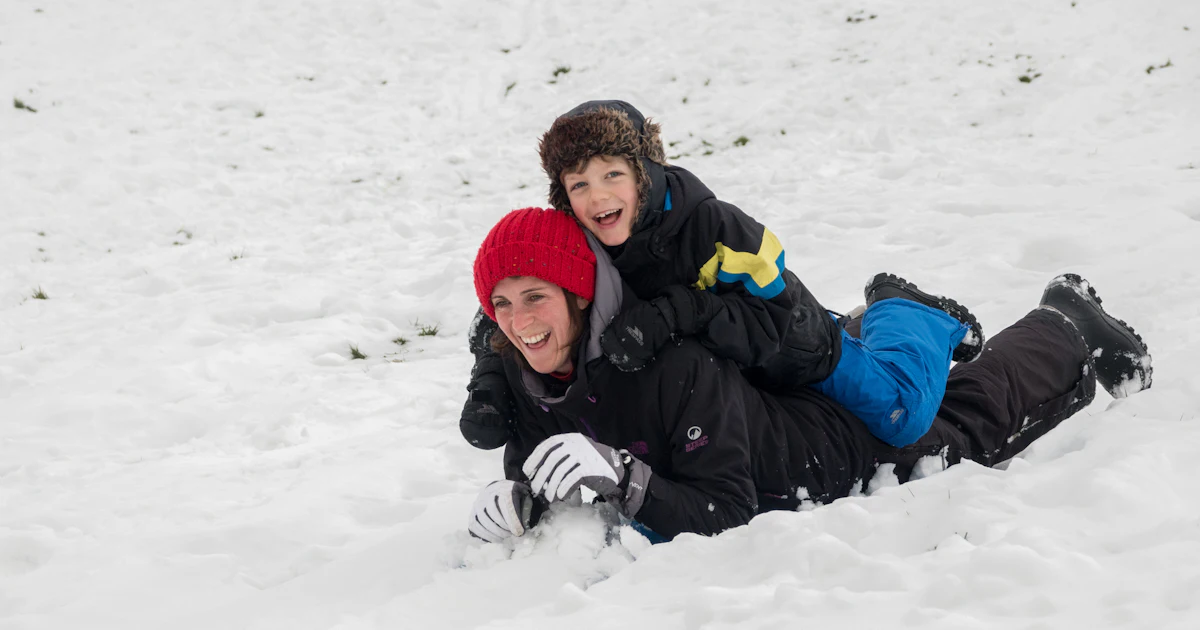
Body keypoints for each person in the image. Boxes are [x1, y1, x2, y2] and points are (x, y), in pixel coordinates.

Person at [466, 207, 1153, 543]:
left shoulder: (669, 367)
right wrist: (518, 496)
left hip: (830, 450)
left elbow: (725, 511)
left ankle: (1061, 325)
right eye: (503, 303)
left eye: (537, 297)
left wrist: (625, 478)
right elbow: (536, 451)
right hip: (778, 406)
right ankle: (877, 322)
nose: (520, 321)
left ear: (581, 297)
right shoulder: (525, 366)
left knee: (966, 426)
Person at [460, 100, 985, 454]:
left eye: (612, 175)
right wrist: (488, 389)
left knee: (902, 419)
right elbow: (505, 308)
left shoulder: (717, 228)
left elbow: (772, 320)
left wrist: (675, 312)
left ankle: (907, 311)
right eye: (578, 184)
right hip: (728, 377)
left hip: (795, 347)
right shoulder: (583, 237)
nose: (596, 198)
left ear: (645, 171)